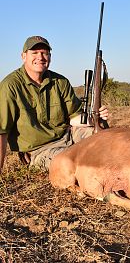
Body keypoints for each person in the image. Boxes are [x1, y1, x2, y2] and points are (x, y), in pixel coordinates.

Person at [0, 36, 109, 173]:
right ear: (23, 56)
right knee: (71, 163)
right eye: (34, 53)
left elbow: (74, 117)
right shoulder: (10, 86)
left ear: (50, 57)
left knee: (104, 141)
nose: (40, 57)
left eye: (44, 53)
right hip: (39, 150)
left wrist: (95, 117)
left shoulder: (60, 81)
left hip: (68, 136)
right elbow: (1, 131)